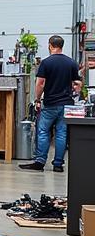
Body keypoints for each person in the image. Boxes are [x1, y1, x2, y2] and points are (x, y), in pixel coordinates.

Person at [18, 35, 81, 174]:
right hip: (66, 104)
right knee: (61, 134)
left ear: (50, 45)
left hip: (50, 104)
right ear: (62, 46)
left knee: (42, 132)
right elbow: (78, 84)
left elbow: (40, 83)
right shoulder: (71, 63)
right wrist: (73, 89)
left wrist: (37, 99)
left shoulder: (46, 63)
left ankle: (40, 161)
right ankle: (58, 164)